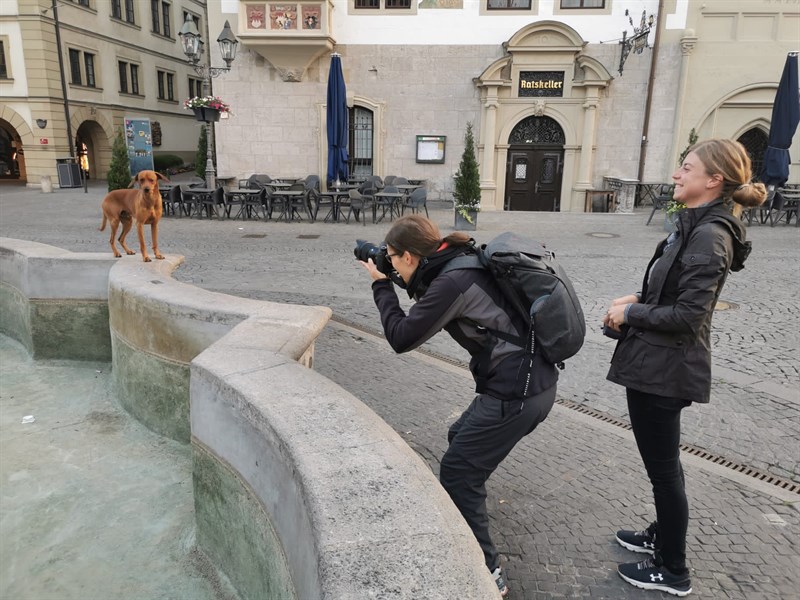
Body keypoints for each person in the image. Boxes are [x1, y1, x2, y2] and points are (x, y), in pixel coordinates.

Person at [360, 215, 558, 597]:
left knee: (458, 471)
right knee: (459, 437)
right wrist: (395, 275)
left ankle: (488, 572)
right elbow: (429, 298)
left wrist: (381, 286)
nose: (388, 263)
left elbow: (402, 336)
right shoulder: (456, 260)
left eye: (391, 256)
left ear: (410, 256)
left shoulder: (452, 280)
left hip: (518, 393)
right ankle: (463, 516)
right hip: (530, 382)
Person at [603, 139, 767, 597]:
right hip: (653, 363)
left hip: (666, 369)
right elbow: (672, 295)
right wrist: (636, 300)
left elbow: (689, 316)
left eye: (686, 167)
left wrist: (632, 315)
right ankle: (662, 534)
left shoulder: (709, 236)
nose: (676, 173)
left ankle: (673, 570)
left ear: (713, 180)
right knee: (664, 466)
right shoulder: (691, 225)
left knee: (664, 471)